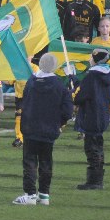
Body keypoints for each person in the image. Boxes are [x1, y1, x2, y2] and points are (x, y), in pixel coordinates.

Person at [13, 53, 73, 205]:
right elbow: (67, 110)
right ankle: (44, 194)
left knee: (30, 162)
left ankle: (30, 194)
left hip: (30, 127)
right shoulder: (59, 84)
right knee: (46, 162)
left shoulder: (31, 82)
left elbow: (24, 102)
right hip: (49, 129)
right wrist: (59, 123)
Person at [74, 49, 110, 190]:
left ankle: (94, 181)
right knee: (98, 146)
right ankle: (97, 179)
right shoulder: (109, 73)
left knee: (92, 148)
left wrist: (75, 94)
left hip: (91, 114)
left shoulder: (93, 75)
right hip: (102, 115)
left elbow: (82, 96)